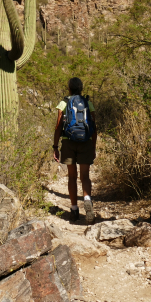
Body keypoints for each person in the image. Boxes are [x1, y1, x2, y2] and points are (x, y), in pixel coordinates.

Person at [52, 77, 97, 223]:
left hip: (68, 142)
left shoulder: (64, 103)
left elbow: (58, 126)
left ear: (69, 88)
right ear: (81, 88)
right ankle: (87, 199)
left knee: (72, 176)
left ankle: (74, 209)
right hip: (86, 142)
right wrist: (93, 146)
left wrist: (55, 147)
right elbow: (94, 127)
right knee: (85, 176)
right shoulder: (88, 103)